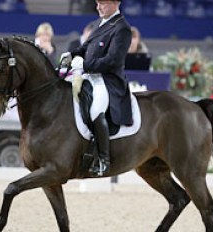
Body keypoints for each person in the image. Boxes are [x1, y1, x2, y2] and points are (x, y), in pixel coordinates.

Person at [60, 0, 132, 176]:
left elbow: (112, 61)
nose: (98, 7)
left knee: (96, 110)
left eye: (103, 3)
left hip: (107, 80)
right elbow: (86, 48)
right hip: (90, 76)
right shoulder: (99, 22)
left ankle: (103, 160)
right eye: (97, 3)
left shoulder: (122, 28)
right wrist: (72, 54)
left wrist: (85, 65)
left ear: (116, 3)